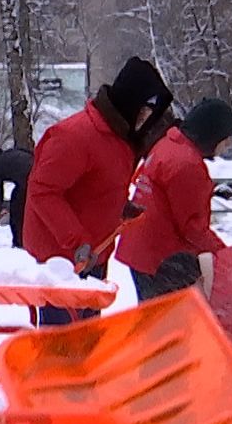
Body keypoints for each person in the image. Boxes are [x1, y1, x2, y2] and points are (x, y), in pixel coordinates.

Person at [23, 56, 175, 324]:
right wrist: (77, 240)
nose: (146, 117)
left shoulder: (120, 140)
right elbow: (43, 191)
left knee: (86, 338)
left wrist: (120, 208)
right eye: (144, 109)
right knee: (63, 343)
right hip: (63, 261)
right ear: (130, 102)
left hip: (93, 256)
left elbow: (97, 187)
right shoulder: (75, 136)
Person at [118, 97, 232, 302]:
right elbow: (192, 227)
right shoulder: (187, 165)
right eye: (226, 138)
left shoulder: (169, 144)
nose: (228, 145)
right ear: (211, 134)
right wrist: (226, 257)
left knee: (156, 318)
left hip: (143, 249)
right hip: (160, 258)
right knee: (168, 321)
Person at [0, 146, 35, 248]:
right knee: (25, 209)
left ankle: (19, 243)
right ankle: (27, 240)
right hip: (37, 170)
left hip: (27, 180)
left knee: (16, 211)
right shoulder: (6, 154)